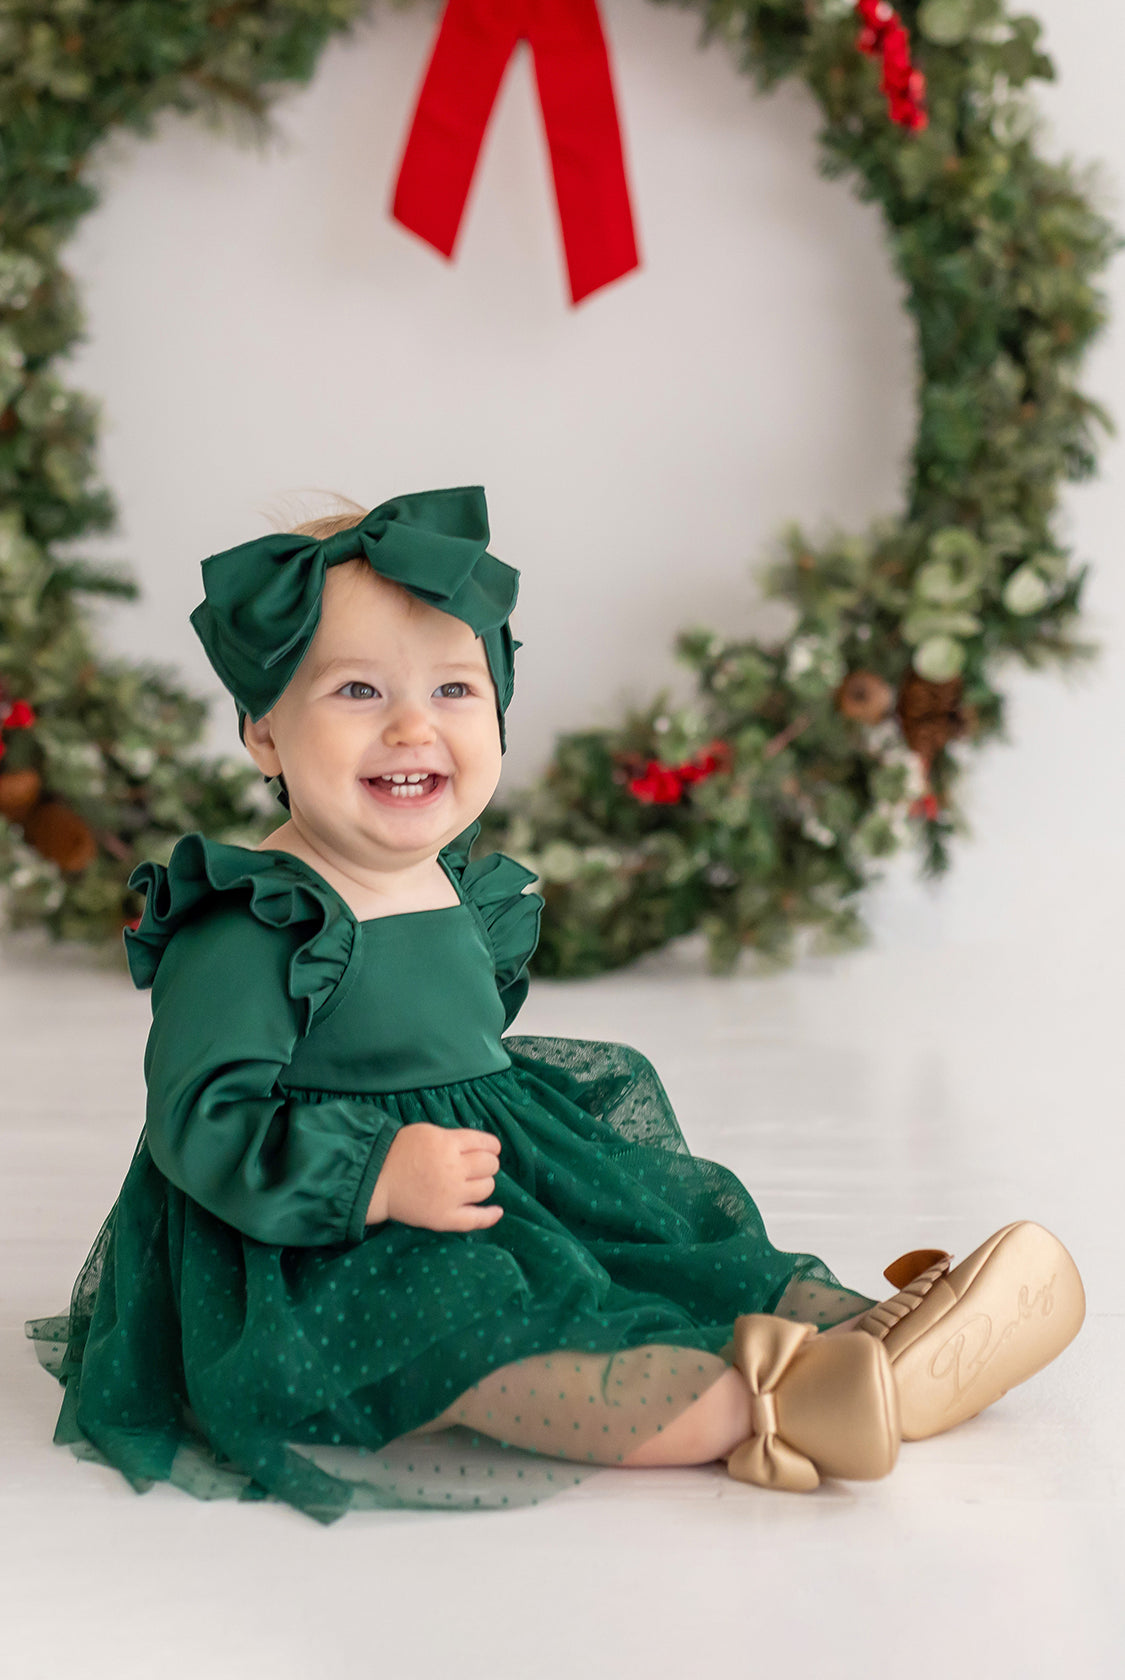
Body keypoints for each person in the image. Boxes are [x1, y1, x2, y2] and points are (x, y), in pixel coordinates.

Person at [25, 486, 1085, 1523]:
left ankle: (884, 1333)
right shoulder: (254, 913)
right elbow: (200, 1117)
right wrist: (372, 1175)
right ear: (263, 734)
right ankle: (764, 1406)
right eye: (357, 692)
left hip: (491, 1163)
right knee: (481, 1330)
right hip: (320, 1232)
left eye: (453, 691)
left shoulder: (455, 881)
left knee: (653, 1239)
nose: (411, 728)